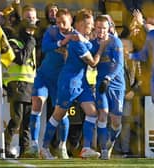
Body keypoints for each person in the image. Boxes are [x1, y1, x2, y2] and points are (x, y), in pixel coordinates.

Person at [40, 8, 104, 160]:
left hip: (82, 82)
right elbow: (93, 62)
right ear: (81, 24)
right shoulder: (76, 41)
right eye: (89, 24)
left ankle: (86, 148)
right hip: (69, 82)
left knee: (92, 112)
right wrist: (102, 48)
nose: (92, 26)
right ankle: (44, 148)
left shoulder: (80, 38)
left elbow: (89, 44)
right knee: (58, 116)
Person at [28, 8, 75, 159]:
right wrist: (62, 42)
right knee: (37, 103)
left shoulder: (76, 36)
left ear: (71, 21)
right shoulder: (52, 31)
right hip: (44, 75)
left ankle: (62, 146)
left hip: (61, 80)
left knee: (62, 113)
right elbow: (46, 46)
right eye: (58, 21)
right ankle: (34, 144)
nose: (60, 25)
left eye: (64, 22)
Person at [90, 15, 125, 160]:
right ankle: (104, 149)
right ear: (95, 27)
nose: (101, 31)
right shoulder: (93, 43)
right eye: (98, 28)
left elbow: (119, 65)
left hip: (116, 85)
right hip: (101, 84)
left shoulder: (115, 41)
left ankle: (111, 141)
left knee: (116, 120)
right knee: (102, 114)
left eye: (104, 28)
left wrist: (108, 78)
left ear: (108, 28)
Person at [3, 19, 37, 158]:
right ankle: (5, 147)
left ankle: (25, 150)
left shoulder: (30, 42)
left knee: (27, 121)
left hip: (30, 84)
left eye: (33, 30)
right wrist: (30, 43)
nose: (31, 33)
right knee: (17, 119)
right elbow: (21, 59)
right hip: (17, 84)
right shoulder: (13, 42)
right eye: (29, 30)